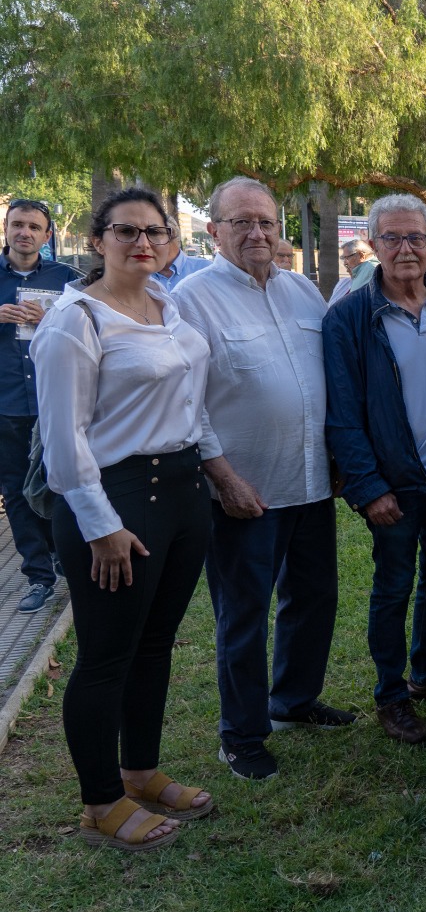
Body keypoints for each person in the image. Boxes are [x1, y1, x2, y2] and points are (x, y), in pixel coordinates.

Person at [33, 188, 219, 851]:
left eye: (154, 232)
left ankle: (139, 770)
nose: (142, 242)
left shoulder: (168, 308)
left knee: (154, 644)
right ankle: (100, 801)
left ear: (170, 241)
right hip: (115, 498)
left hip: (182, 491)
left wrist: (211, 475)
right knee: (106, 655)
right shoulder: (75, 320)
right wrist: (99, 524)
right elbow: (63, 438)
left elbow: (189, 405)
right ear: (98, 239)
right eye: (126, 231)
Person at [172, 177, 351, 783]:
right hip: (241, 492)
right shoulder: (192, 299)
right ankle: (241, 736)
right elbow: (184, 401)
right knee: (243, 615)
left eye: (267, 222)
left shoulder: (303, 289)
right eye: (242, 222)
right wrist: (221, 475)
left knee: (314, 597)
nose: (258, 233)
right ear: (215, 230)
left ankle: (292, 702)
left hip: (309, 481)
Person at [323, 194, 426, 744]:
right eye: (391, 238)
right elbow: (342, 414)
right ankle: (390, 696)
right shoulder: (350, 316)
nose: (406, 248)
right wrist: (368, 487)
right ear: (374, 244)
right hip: (393, 486)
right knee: (393, 587)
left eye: (416, 237)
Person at [1, 198, 79, 614]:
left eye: (34, 226)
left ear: (47, 235)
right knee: (15, 491)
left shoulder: (68, 279)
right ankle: (38, 576)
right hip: (7, 404)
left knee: (61, 481)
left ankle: (63, 555)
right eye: (17, 224)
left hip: (57, 400)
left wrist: (48, 317)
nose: (24, 232)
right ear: (7, 229)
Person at [329, 239, 376, 304]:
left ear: (361, 256)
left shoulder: (371, 270)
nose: (345, 262)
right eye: (343, 258)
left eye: (347, 258)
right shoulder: (363, 271)